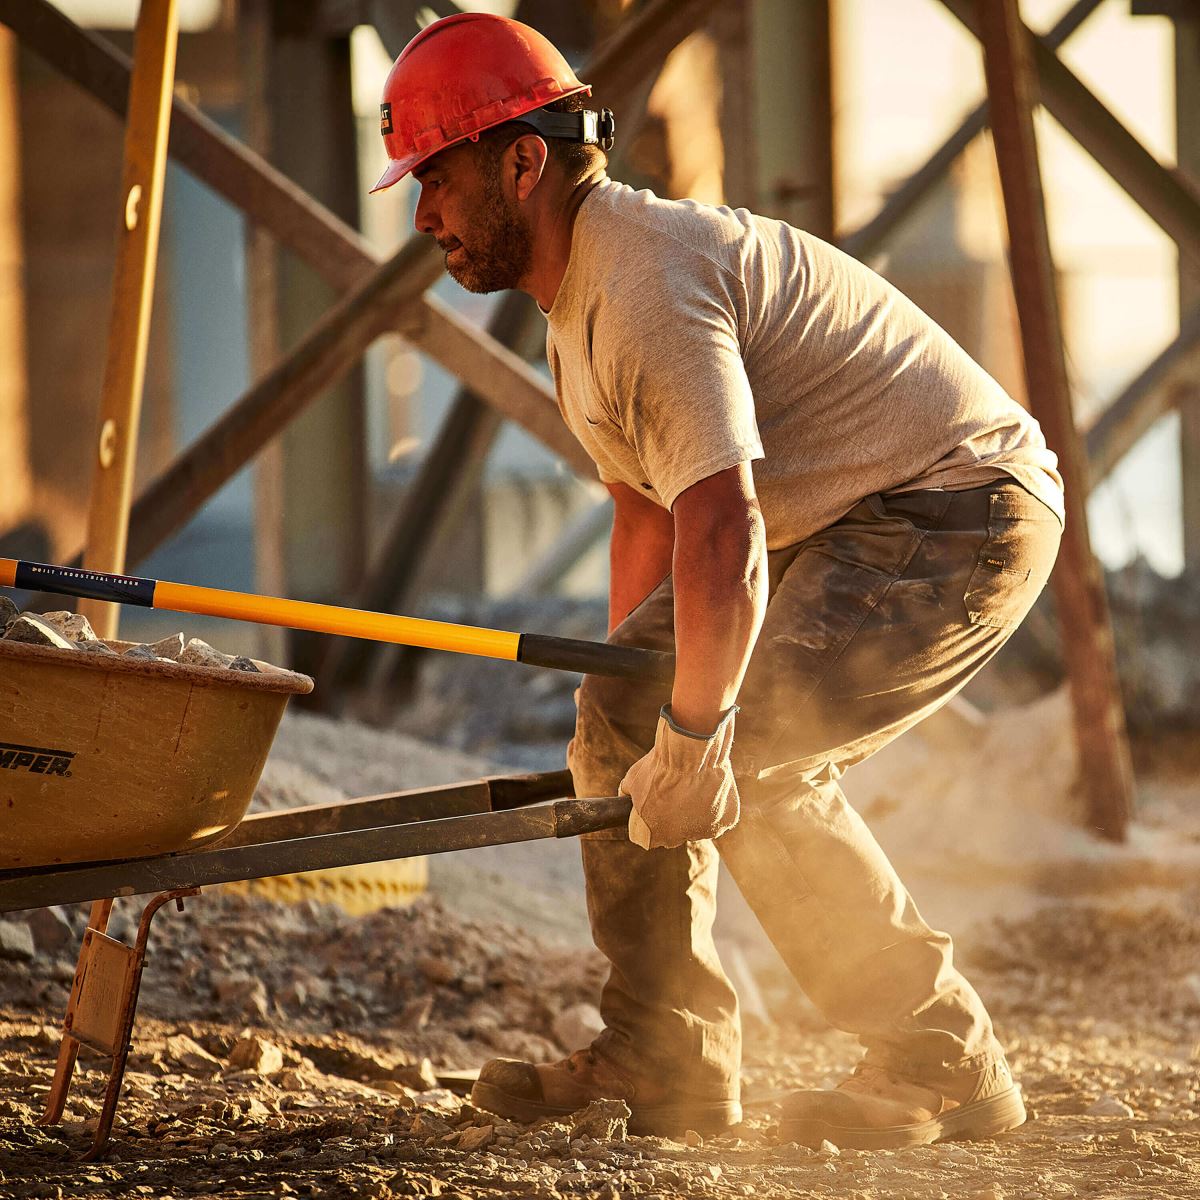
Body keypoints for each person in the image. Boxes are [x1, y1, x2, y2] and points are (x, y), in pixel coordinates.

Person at [371, 12, 1063, 1150]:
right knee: (628, 712)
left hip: (958, 507)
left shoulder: (642, 281)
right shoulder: (575, 303)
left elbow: (725, 526)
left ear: (524, 160)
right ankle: (669, 1050)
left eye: (436, 177)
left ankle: (945, 1065)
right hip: (847, 516)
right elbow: (651, 514)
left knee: (757, 748)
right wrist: (638, 710)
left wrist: (698, 738)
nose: (421, 214)